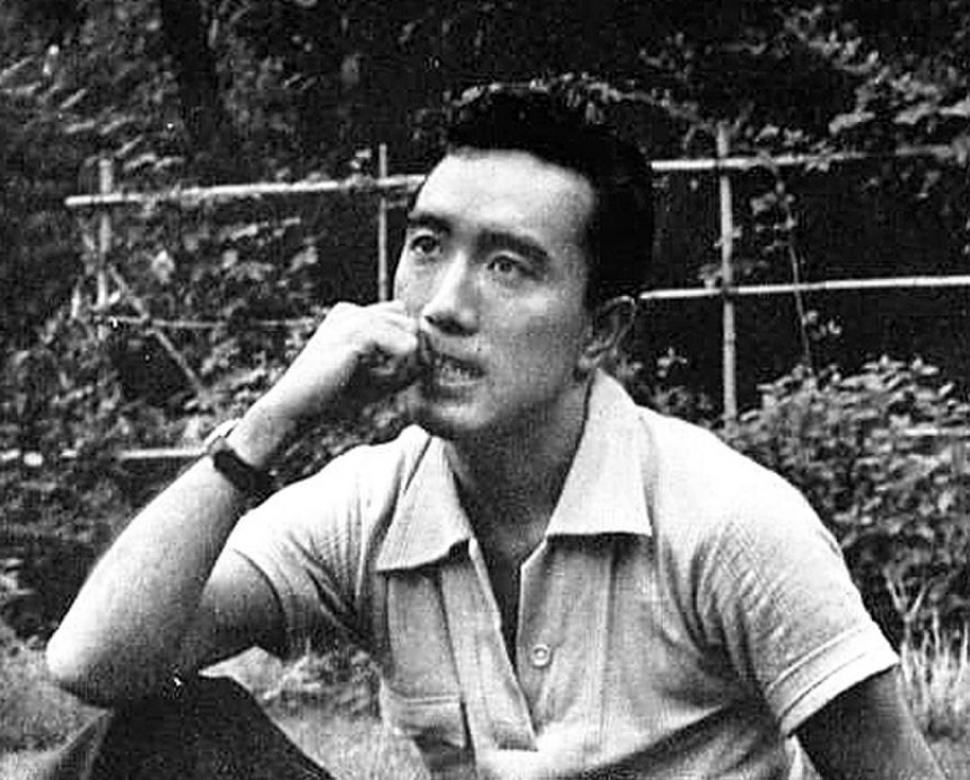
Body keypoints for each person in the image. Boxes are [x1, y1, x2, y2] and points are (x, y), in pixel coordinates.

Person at [44, 85, 945, 780]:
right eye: (428, 245)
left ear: (601, 332)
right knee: (166, 735)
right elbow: (95, 662)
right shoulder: (372, 505)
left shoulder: (729, 523)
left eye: (509, 265)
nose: (444, 304)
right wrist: (273, 420)